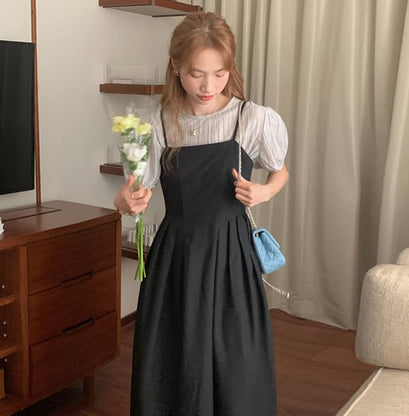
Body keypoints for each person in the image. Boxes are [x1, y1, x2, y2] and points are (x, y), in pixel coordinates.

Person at [114, 11, 289, 416]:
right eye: (196, 74)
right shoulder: (158, 122)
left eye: (219, 73)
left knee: (236, 361)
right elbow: (134, 191)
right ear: (176, 67)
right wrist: (125, 201)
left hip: (232, 255)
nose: (208, 86)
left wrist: (263, 191)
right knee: (175, 358)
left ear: (230, 69)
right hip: (176, 257)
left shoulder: (252, 118)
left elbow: (280, 171)